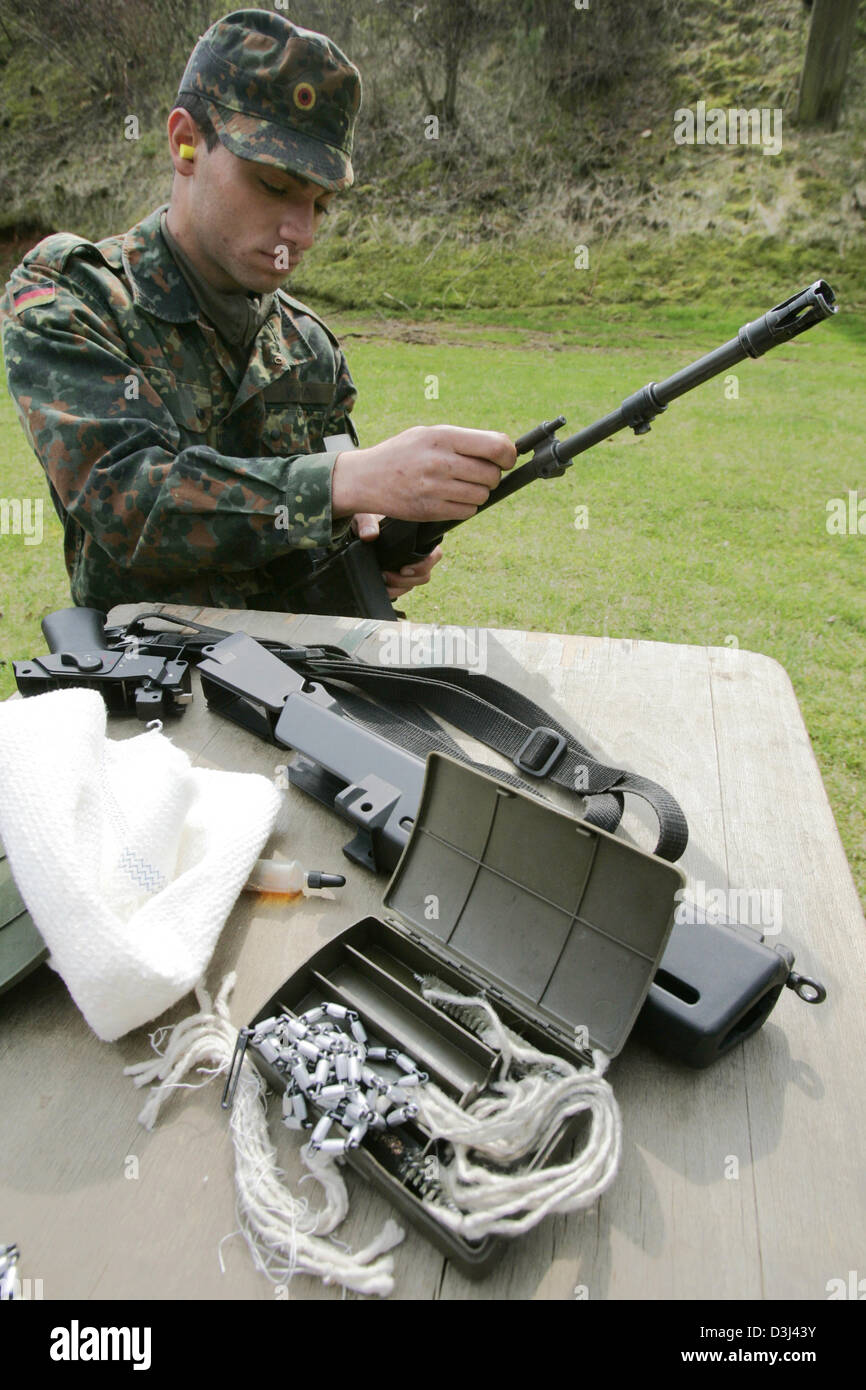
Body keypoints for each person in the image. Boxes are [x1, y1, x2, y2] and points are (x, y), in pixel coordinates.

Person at [0, 9, 515, 614]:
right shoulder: (76, 296)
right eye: (274, 186)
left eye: (321, 205)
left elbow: (321, 528)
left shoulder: (310, 349)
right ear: (185, 142)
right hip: (156, 687)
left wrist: (370, 542)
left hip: (307, 680)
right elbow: (130, 503)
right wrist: (345, 481)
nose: (302, 232)